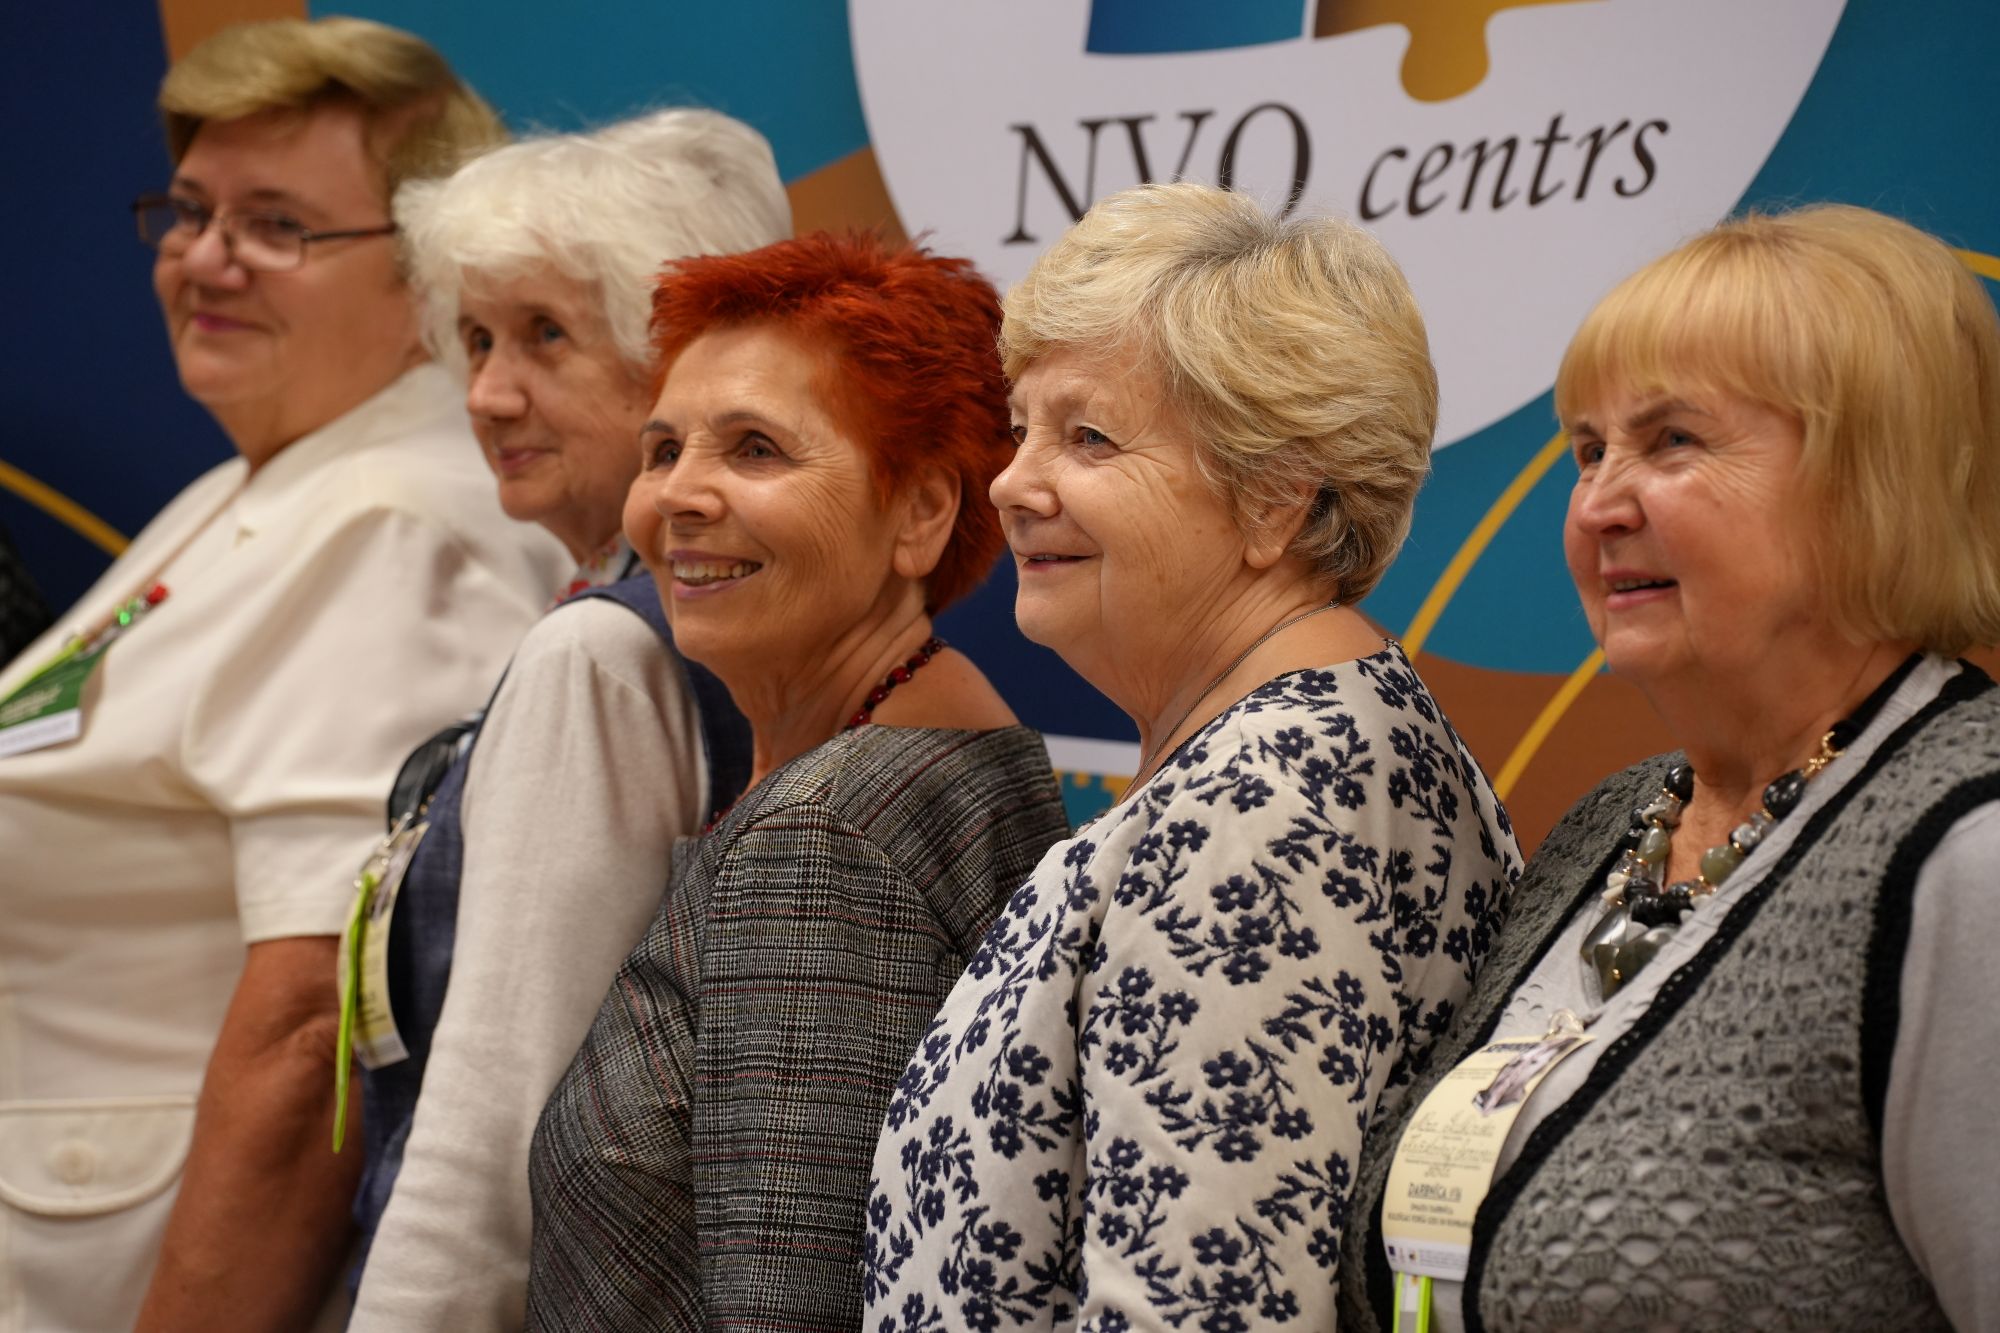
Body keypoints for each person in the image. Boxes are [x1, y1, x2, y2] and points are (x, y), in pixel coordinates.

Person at [863, 182, 1522, 1331]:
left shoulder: (1259, 806)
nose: (1011, 481)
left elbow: (1203, 1307)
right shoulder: (1322, 741)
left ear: (1274, 501)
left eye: (1087, 436)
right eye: (1022, 426)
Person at [1337, 205, 2000, 1332]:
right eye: (1589, 450)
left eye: (1672, 441)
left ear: (1871, 475)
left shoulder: (1967, 855)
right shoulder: (1608, 825)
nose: (1597, 504)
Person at [0, 18, 569, 1332]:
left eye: (275, 225)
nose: (205, 258)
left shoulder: (390, 526)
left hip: (133, 1271)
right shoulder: (259, 479)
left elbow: (322, 1023)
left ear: (429, 271)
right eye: (191, 210)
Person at [524, 233, 1072, 1331]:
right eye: (662, 448)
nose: (678, 496)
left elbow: (787, 1305)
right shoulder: (924, 754)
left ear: (920, 513)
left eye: (755, 449)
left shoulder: (823, 837)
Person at [344, 108, 792, 1330]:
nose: (489, 393)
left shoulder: (599, 653)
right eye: (475, 337)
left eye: (546, 334)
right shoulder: (699, 616)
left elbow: (496, 1128)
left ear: (678, 360)